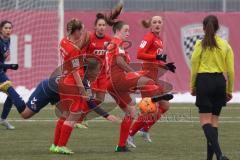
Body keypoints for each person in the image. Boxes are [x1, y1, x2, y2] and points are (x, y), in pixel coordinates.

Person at [105, 5, 172, 152]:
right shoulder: (117, 43)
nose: (128, 33)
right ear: (117, 31)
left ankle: (122, 145)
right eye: (126, 31)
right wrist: (134, 73)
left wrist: (164, 65)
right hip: (123, 81)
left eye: (159, 22)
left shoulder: (116, 44)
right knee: (149, 97)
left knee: (132, 112)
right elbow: (122, 61)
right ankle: (138, 128)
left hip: (115, 84)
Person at [190, 15, 234, 160]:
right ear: (217, 28)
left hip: (204, 82)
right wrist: (229, 90)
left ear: (204, 28)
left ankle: (220, 155)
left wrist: (193, 86)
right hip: (219, 83)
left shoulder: (199, 44)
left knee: (205, 122)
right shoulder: (225, 45)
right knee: (214, 122)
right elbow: (231, 71)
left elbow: (194, 67)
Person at [128, 16, 176, 146]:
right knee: (149, 110)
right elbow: (139, 54)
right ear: (151, 25)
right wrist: (157, 56)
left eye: (159, 22)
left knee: (165, 106)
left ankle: (145, 129)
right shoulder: (149, 37)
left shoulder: (159, 40)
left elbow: (153, 61)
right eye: (154, 22)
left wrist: (165, 66)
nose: (157, 24)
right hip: (146, 79)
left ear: (162, 24)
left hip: (154, 79)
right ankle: (130, 134)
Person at [75, 13, 112, 129]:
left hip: (101, 74)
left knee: (100, 99)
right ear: (95, 27)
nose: (101, 27)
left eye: (103, 25)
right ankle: (79, 119)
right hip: (89, 73)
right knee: (88, 97)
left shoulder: (108, 39)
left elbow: (110, 55)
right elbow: (80, 53)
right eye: (99, 25)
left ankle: (82, 116)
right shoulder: (89, 38)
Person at [0, 20, 19, 129]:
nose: (8, 30)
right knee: (12, 95)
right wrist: (10, 66)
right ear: (1, 29)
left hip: (1, 74)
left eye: (10, 28)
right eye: (5, 28)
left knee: (12, 95)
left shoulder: (8, 40)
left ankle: (3, 119)